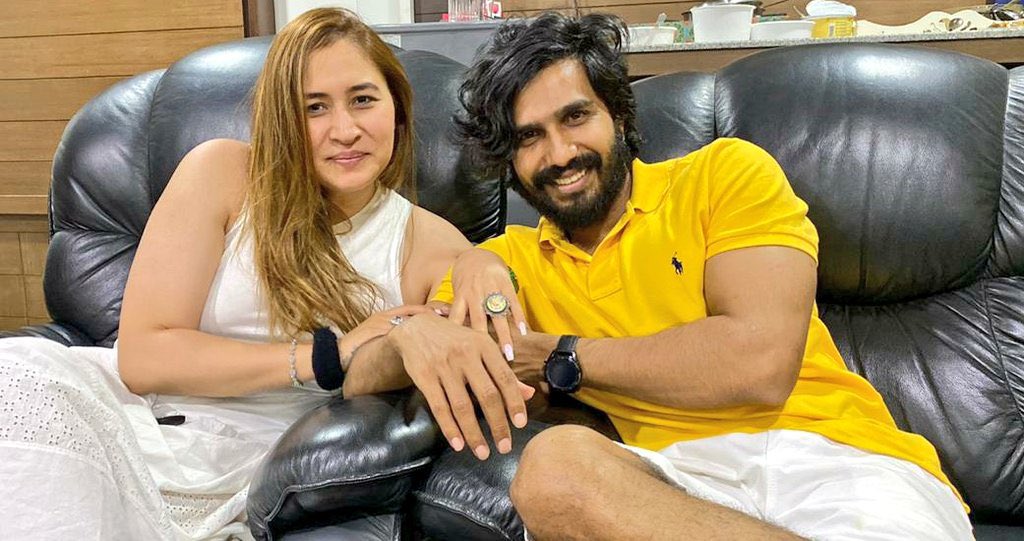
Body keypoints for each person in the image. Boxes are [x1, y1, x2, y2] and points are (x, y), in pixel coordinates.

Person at [434, 12, 975, 540]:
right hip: (668, 481)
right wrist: (460, 275)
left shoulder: (723, 175)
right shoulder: (509, 262)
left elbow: (760, 364)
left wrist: (561, 357)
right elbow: (410, 347)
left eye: (576, 117)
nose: (560, 154)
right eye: (529, 137)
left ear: (618, 116)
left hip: (832, 459)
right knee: (554, 472)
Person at [0, 8, 528, 540]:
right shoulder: (222, 173)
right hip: (128, 417)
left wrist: (485, 261)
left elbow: (476, 340)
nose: (345, 131)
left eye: (363, 100)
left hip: (261, 462)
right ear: (282, 119)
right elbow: (142, 357)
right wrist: (327, 356)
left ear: (397, 108)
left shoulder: (430, 244)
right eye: (314, 108)